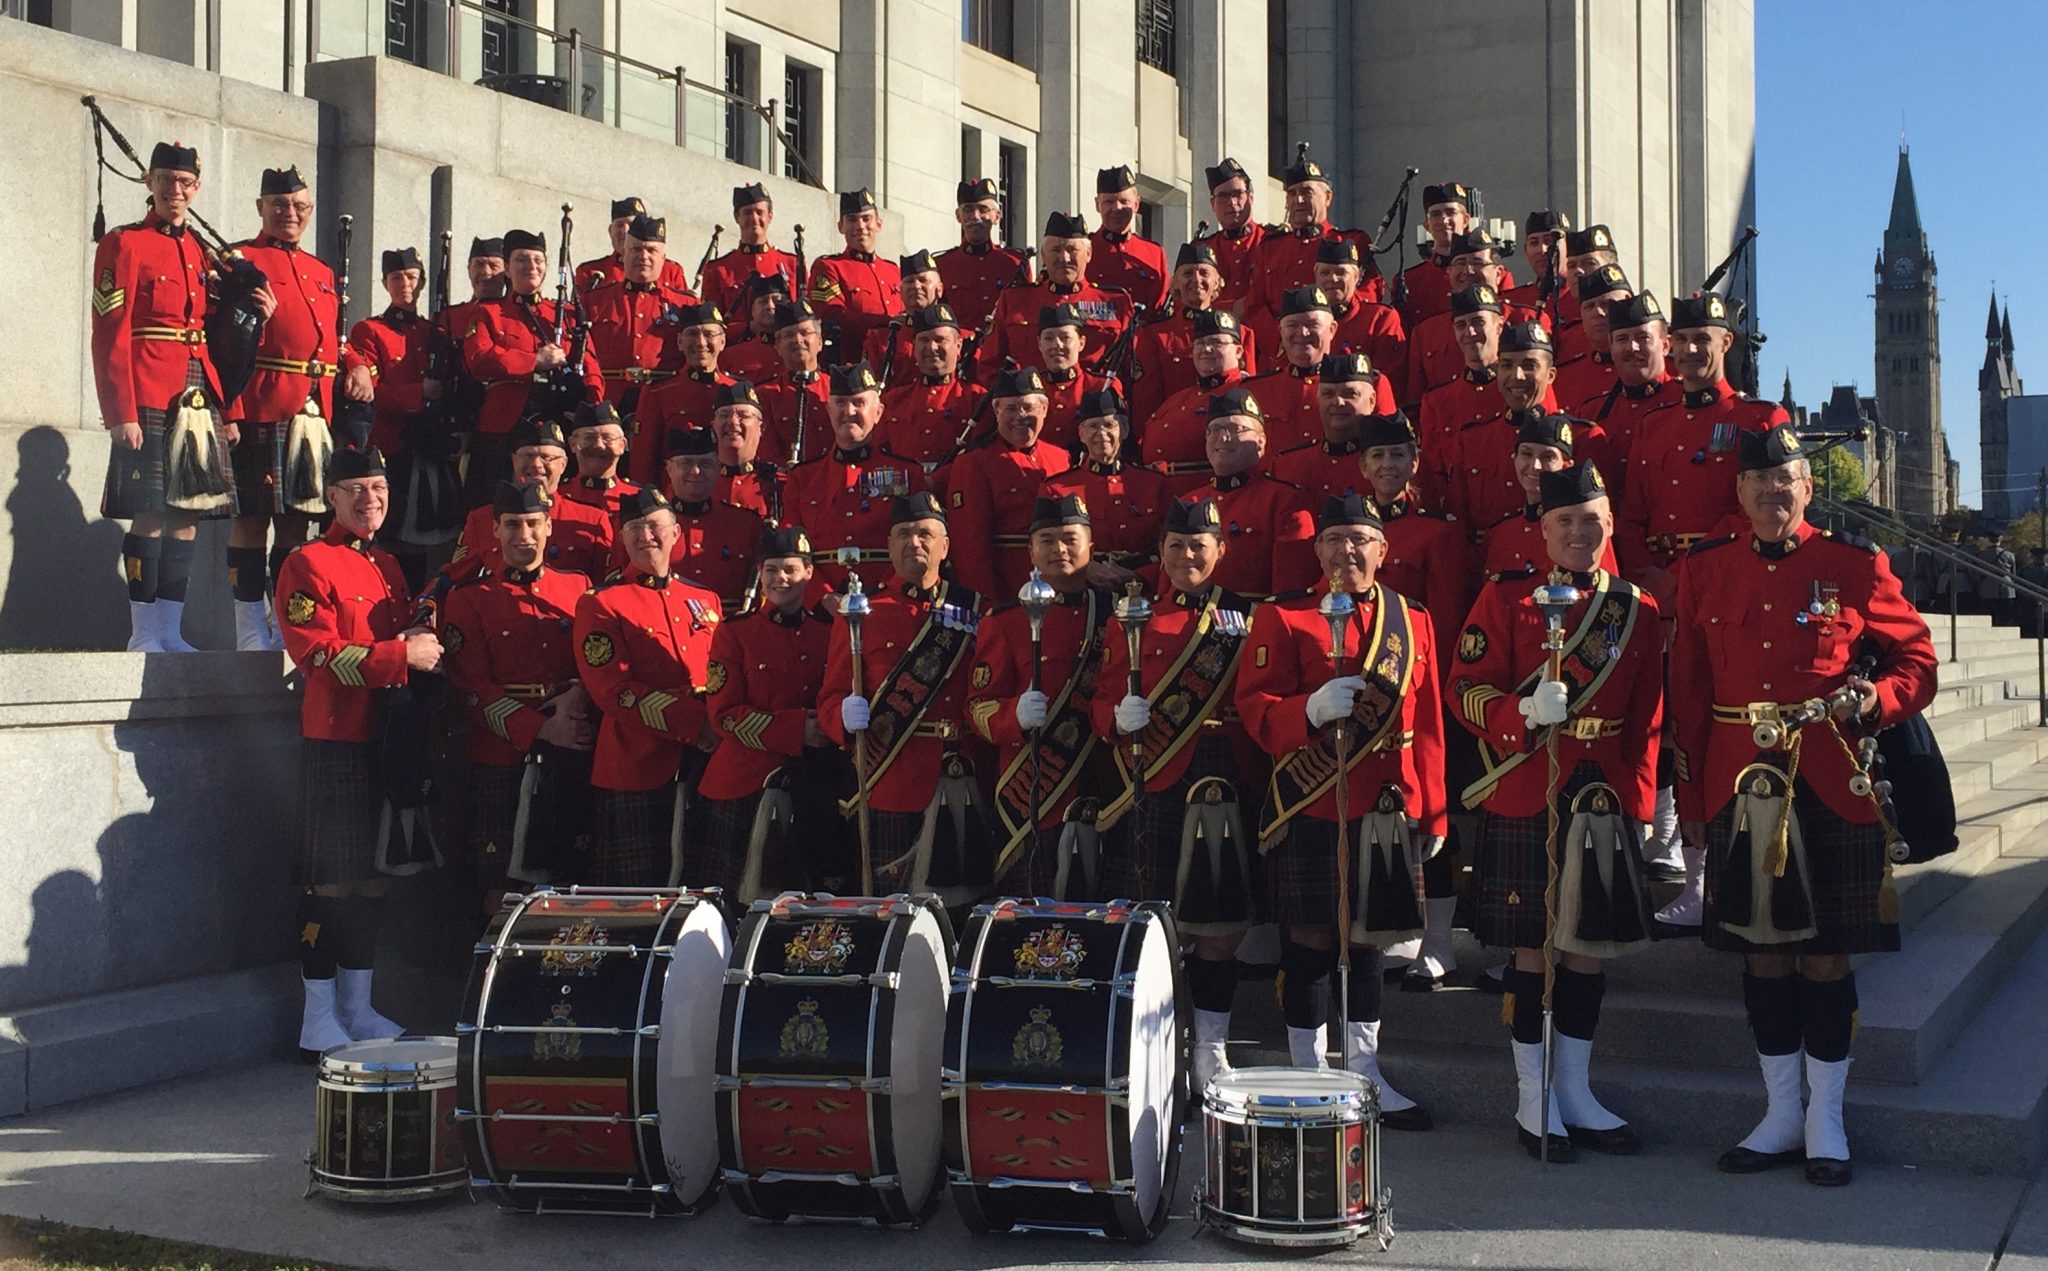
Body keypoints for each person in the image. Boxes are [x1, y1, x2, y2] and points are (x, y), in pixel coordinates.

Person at [1672, 425, 1936, 1187]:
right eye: (1757, 482)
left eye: (1784, 480)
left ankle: (1827, 1117)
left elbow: (1917, 661)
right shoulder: (1706, 570)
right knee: (1763, 949)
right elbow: (1688, 690)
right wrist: (1691, 797)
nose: (1771, 493)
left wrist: (1875, 700)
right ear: (1740, 493)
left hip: (1830, 777)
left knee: (1825, 955)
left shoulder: (1853, 565)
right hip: (1736, 781)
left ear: (1807, 488)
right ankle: (1780, 1112)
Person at [1452, 461, 1661, 1161]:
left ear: (1609, 525)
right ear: (1542, 530)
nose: (1580, 530)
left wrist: (1636, 802)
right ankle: (1532, 1094)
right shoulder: (1507, 598)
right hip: (1526, 784)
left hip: (1599, 792)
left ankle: (1577, 1090)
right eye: (1565, 520)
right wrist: (1517, 712)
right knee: (1534, 947)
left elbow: (1646, 719)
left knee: (1587, 950)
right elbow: (1464, 687)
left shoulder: (1637, 609)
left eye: (1592, 519)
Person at [1237, 492, 1443, 1129]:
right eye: (1333, 539)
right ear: (1317, 549)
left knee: (1371, 937)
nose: (1346, 551)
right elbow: (1253, 703)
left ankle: (1365, 1069)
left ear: (1383, 549)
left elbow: (1430, 722)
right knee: (1309, 937)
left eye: (1360, 539)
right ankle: (1310, 1069)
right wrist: (1305, 711)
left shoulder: (1415, 622)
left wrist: (1432, 811)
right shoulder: (1281, 616)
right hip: (1312, 795)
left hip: (1386, 804)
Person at [273, 446, 442, 1053]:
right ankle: (316, 1014)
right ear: (331, 498)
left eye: (379, 487)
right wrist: (401, 656)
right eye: (356, 489)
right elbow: (315, 654)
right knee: (330, 881)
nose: (370, 499)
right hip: (337, 736)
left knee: (374, 878)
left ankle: (356, 1006)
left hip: (386, 739)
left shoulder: (390, 566)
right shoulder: (306, 562)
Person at [1093, 496, 1261, 1091]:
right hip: (1152, 777)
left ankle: (1210, 1051)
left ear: (1220, 550)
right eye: (1175, 546)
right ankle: (1154, 1045)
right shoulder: (1131, 615)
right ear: (1159, 552)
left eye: (1198, 546)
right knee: (1154, 923)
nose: (1187, 556)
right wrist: (1117, 717)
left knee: (1218, 926)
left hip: (1223, 777)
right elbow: (1098, 700)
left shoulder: (1245, 617)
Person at [90, 139, 238, 653]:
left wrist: (228, 409)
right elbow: (109, 331)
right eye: (166, 180)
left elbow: (217, 335)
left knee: (187, 514)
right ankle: (144, 632)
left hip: (197, 396)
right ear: (149, 183)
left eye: (186, 183)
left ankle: (171, 631)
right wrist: (120, 411)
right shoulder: (124, 243)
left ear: (196, 188)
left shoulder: (200, 251)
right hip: (148, 390)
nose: (176, 190)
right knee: (150, 512)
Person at [820, 492, 990, 907]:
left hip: (961, 773)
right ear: (890, 545)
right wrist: (842, 717)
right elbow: (831, 695)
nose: (915, 542)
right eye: (904, 534)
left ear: (945, 546)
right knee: (888, 908)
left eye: (926, 534)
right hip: (890, 776)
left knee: (962, 908)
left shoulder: (974, 610)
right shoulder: (862, 613)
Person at [438, 480, 595, 917]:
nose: (523, 535)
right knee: (499, 885)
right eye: (512, 525)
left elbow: (594, 660)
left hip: (571, 746)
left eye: (532, 523)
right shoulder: (469, 599)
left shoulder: (579, 587)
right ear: (495, 530)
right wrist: (541, 727)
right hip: (500, 754)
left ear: (549, 527)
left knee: (570, 875)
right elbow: (471, 688)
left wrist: (576, 699)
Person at [965, 494, 1115, 894]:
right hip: (1036, 787)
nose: (1059, 549)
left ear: (1091, 547)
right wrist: (1013, 715)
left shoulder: (1119, 613)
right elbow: (978, 707)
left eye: (1070, 538)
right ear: (1031, 551)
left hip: (1109, 779)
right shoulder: (1006, 620)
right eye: (1046, 540)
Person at [573, 488, 724, 886]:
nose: (645, 536)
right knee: (638, 896)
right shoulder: (601, 603)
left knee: (703, 887)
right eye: (634, 528)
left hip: (706, 765)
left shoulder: (704, 598)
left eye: (655, 526)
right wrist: (698, 725)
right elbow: (614, 691)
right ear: (621, 537)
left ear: (677, 533)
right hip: (637, 763)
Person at [695, 525, 845, 900]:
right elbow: (724, 714)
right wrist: (796, 730)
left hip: (818, 782)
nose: (782, 579)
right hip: (747, 783)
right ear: (760, 574)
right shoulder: (734, 632)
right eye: (772, 569)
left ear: (809, 572)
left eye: (791, 569)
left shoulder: (828, 632)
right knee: (735, 904)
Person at [1615, 291, 1791, 607]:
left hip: (1724, 582)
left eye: (1701, 339)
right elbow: (1631, 515)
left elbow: (1757, 514)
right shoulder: (1653, 423)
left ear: (1725, 343)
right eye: (1680, 340)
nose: (1690, 349)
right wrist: (1644, 576)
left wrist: (1679, 576)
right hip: (1654, 592)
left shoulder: (1759, 418)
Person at [227, 166, 339, 651]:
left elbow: (326, 340)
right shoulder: (240, 260)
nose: (289, 214)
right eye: (279, 205)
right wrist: (228, 410)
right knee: (253, 520)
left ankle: (284, 626)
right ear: (261, 208)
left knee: (297, 524)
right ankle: (249, 629)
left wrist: (353, 364)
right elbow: (224, 342)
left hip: (312, 414)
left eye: (299, 207)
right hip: (261, 407)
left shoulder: (322, 271)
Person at [460, 226, 603, 503]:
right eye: (522, 260)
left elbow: (591, 368)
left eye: (538, 261)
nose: (531, 267)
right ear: (508, 270)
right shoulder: (488, 312)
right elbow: (479, 359)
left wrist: (590, 412)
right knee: (491, 504)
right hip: (504, 425)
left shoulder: (566, 314)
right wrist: (535, 361)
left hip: (558, 420)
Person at [780, 364, 926, 594]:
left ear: (878, 412)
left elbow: (919, 544)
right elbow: (790, 550)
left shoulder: (908, 474)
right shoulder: (803, 477)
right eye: (840, 403)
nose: (848, 412)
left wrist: (886, 591)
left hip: (888, 599)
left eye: (858, 403)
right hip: (821, 609)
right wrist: (823, 597)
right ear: (829, 411)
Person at [942, 367, 1072, 598]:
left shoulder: (1061, 458)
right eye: (1011, 409)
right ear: (996, 410)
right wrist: (984, 601)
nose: (1020, 416)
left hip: (1060, 589)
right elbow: (970, 545)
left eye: (1028, 408)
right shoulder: (975, 462)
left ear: (1044, 409)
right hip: (1008, 590)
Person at [1432, 321, 1574, 531]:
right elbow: (1459, 525)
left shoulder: (1582, 437)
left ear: (1550, 375)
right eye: (1507, 365)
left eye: (1529, 366)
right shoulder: (1473, 440)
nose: (1516, 376)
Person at [1184, 390, 1318, 599]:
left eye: (1236, 429)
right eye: (1215, 429)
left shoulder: (1284, 501)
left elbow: (1289, 594)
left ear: (1261, 442)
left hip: (1252, 624)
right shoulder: (1190, 502)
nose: (1223, 437)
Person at [1040, 385, 1173, 589]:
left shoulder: (1155, 484)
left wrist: (1137, 576)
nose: (1101, 433)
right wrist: (1085, 569)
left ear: (1125, 431)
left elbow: (1170, 544)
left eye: (1109, 425)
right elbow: (1049, 549)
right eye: (1093, 426)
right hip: (1085, 587)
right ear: (1081, 434)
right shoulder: (1057, 489)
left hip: (1142, 586)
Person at [446, 417, 611, 581]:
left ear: (563, 464)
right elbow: (454, 576)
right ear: (514, 460)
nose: (536, 465)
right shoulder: (483, 519)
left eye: (547, 457)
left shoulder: (592, 520)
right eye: (528, 455)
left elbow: (606, 586)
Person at [975, 211, 1135, 379]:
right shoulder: (1014, 300)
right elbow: (989, 367)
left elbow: (1129, 369)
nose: (1064, 258)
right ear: (1044, 255)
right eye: (1056, 250)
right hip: (1027, 402)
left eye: (1072, 250)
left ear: (1088, 254)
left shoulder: (1116, 303)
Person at [1248, 286, 1398, 454]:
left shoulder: (1370, 384)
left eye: (1312, 324)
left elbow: (1387, 449)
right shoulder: (1255, 391)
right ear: (1281, 332)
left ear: (1332, 329)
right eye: (1292, 325)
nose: (1302, 333)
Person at [1246, 149, 1380, 327]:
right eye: (1292, 193)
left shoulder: (1351, 242)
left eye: (1307, 192)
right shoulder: (1270, 248)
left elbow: (1370, 293)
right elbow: (1255, 307)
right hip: (1281, 347)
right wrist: (1282, 341)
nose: (1298, 200)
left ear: (1328, 197)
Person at [1130, 242, 1261, 424]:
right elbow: (1146, 402)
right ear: (1174, 281)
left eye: (1204, 273)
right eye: (1187, 273)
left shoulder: (1242, 334)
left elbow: (1247, 394)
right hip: (1177, 431)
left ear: (1217, 281)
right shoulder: (1155, 335)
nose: (1196, 280)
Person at [1481, 412, 1619, 577]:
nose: (1535, 465)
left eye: (1548, 457)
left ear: (1566, 465)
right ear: (1515, 459)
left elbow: (1603, 595)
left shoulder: (1587, 530)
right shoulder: (1500, 534)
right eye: (1526, 454)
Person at [582, 213, 693, 418]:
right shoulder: (593, 301)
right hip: (607, 400)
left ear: (663, 258)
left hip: (664, 400)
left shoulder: (685, 305)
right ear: (623, 254)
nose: (643, 256)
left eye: (651, 250)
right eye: (636, 249)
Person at [1141, 309, 1254, 493]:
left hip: (1208, 497)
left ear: (1239, 350)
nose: (1206, 349)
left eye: (1216, 342)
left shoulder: (1245, 392)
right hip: (1162, 500)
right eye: (1200, 343)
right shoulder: (1177, 399)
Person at [657, 426, 766, 610]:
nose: (696, 471)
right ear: (669, 468)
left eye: (705, 464)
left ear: (718, 467)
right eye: (686, 463)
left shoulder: (747, 524)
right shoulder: (648, 526)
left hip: (730, 629)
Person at [1584, 291, 1679, 490]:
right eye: (1622, 339)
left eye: (1643, 337)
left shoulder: (1685, 403)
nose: (1632, 347)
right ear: (1610, 346)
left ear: (1665, 345)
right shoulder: (1592, 413)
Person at [630, 301, 732, 483]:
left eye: (709, 335)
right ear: (679, 342)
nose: (701, 343)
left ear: (722, 341)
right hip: (676, 491)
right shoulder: (658, 392)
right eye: (692, 334)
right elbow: (643, 460)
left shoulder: (736, 391)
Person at [877, 302, 987, 468]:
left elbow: (983, 457)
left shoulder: (977, 399)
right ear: (914, 347)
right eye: (924, 340)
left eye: (940, 340)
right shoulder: (892, 401)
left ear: (958, 346)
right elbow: (878, 456)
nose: (931, 347)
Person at [1400, 181, 1518, 331]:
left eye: (1451, 212)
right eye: (1436, 214)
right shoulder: (1410, 281)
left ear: (1466, 220)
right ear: (1427, 225)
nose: (1444, 220)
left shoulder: (1496, 275)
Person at [806, 187, 903, 358]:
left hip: (897, 362)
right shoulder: (828, 267)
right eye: (851, 220)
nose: (860, 226)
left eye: (867, 219)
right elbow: (831, 315)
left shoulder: (893, 270)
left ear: (879, 224)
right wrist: (886, 322)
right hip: (854, 365)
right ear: (840, 227)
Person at [1315, 238, 1409, 403]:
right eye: (1325, 273)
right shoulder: (1304, 323)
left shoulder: (1380, 319)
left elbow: (1388, 384)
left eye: (1341, 273)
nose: (1333, 279)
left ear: (1357, 277)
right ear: (1315, 276)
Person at [697, 182, 804, 315]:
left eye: (760, 212)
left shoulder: (792, 264)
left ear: (770, 216)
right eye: (747, 213)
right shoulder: (718, 269)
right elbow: (713, 326)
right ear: (737, 217)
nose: (754, 218)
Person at [936, 177, 1027, 334]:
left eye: (983, 210)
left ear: (997, 216)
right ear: (958, 216)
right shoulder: (941, 265)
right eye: (968, 210)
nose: (975, 216)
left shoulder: (1015, 263)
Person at [753, 299, 832, 463]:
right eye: (788, 335)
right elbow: (768, 456)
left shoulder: (837, 389)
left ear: (820, 341)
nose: (798, 340)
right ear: (778, 346)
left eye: (805, 332)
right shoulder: (765, 395)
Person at [1196, 156, 1276, 313]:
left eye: (1238, 194)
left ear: (1250, 197)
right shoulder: (1202, 248)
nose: (1231, 202)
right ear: (1212, 204)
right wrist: (1231, 309)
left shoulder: (1273, 242)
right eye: (1223, 196)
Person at [1033, 303, 1115, 454]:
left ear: (1081, 343)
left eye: (1065, 338)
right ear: (1039, 344)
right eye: (1048, 338)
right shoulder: (1031, 390)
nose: (1056, 345)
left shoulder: (1100, 386)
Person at [1089, 164, 1169, 313]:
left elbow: (1160, 309)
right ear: (1097, 205)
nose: (1117, 208)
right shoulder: (1084, 250)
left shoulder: (1154, 253)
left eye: (1124, 201)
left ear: (1136, 204)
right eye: (1108, 202)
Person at [575, 196, 693, 295]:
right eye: (619, 225)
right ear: (610, 230)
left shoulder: (671, 271)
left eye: (632, 225)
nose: (625, 231)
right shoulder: (589, 272)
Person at [1552, 265, 1631, 415]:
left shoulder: (1662, 365)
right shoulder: (1564, 376)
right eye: (1589, 307)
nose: (1598, 313)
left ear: (1628, 301)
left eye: (1607, 304)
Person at [860, 249, 944, 388]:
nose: (916, 286)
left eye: (923, 280)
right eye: (909, 281)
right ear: (900, 291)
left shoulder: (958, 337)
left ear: (939, 289)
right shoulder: (881, 339)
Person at [709, 381, 781, 521]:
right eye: (724, 415)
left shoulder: (777, 484)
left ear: (762, 428)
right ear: (713, 426)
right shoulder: (699, 482)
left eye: (744, 415)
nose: (733, 422)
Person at [557, 400, 640, 520]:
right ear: (573, 444)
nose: (599, 445)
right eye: (589, 438)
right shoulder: (558, 496)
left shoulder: (638, 497)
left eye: (607, 438)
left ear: (622, 445)